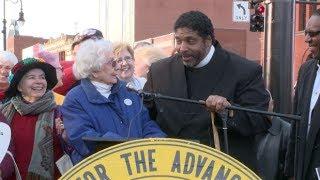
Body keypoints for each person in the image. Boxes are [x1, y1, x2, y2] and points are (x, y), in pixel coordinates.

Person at [144, 10, 270, 173]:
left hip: (223, 170)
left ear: (208, 40)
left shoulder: (245, 71)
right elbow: (145, 115)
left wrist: (229, 111)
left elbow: (260, 120)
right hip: (169, 169)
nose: (182, 48)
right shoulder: (159, 71)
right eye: (178, 40)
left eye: (190, 41)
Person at [61, 39, 166, 164]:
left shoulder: (128, 90)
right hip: (104, 169)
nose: (117, 66)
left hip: (139, 166)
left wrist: (156, 141)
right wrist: (128, 147)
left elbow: (146, 123)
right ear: (94, 71)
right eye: (111, 63)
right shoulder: (75, 98)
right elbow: (84, 138)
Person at [0, 58, 64, 179]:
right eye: (31, 77)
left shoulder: (59, 113)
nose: (39, 81)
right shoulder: (3, 113)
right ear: (19, 86)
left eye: (42, 77)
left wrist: (65, 137)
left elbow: (73, 149)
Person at [285, 9, 320, 180]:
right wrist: (291, 171)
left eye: (313, 34)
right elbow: (296, 125)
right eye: (306, 33)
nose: (307, 39)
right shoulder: (306, 70)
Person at [255, 91, 290, 179]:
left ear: (272, 104)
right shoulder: (248, 129)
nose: (262, 106)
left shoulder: (287, 131)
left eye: (265, 101)